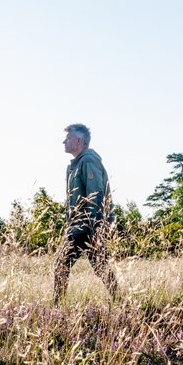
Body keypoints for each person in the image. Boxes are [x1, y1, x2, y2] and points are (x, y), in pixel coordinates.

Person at [54, 123, 119, 303]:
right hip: (78, 226)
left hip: (86, 227)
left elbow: (96, 196)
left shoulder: (88, 161)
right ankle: (122, 303)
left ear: (79, 140)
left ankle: (56, 310)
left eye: (68, 138)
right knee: (102, 267)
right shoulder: (74, 165)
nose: (64, 142)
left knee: (60, 266)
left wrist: (96, 229)